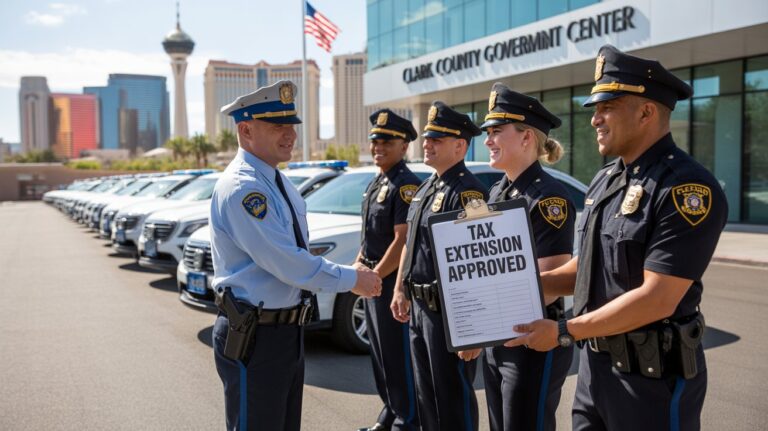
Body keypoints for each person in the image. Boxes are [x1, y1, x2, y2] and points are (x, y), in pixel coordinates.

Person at [505, 45, 728, 430]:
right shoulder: (606, 180)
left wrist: (562, 331)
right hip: (595, 372)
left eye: (607, 107)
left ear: (646, 111)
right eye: (595, 108)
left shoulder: (686, 188)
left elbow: (658, 297)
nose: (595, 119)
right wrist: (516, 287)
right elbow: (586, 268)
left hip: (652, 382)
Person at [209, 80, 382, 431]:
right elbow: (287, 262)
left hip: (284, 333)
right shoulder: (245, 187)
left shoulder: (276, 180)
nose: (289, 135)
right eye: (277, 126)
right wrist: (353, 279)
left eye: (291, 126)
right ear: (245, 130)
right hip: (255, 336)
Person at [457, 83, 575, 431]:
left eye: (497, 132)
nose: (488, 140)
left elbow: (551, 284)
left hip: (532, 340)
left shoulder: (549, 198)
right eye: (488, 133)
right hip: (500, 337)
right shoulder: (499, 190)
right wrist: (477, 329)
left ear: (526, 138)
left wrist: (482, 323)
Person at [390, 101, 488, 431]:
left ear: (460, 146)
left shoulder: (469, 192)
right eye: (427, 138)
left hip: (449, 315)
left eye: (437, 140)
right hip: (420, 308)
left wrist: (475, 328)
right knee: (427, 397)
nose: (426, 144)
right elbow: (410, 242)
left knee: (452, 399)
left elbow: (479, 260)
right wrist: (400, 287)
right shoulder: (426, 187)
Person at [356, 109, 422, 431]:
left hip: (387, 284)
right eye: (374, 140)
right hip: (372, 283)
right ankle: (390, 414)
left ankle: (406, 421)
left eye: (387, 141)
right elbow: (369, 237)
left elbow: (402, 240)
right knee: (381, 358)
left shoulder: (406, 185)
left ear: (404, 145)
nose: (378, 146)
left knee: (398, 359)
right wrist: (358, 266)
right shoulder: (378, 181)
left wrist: (376, 277)